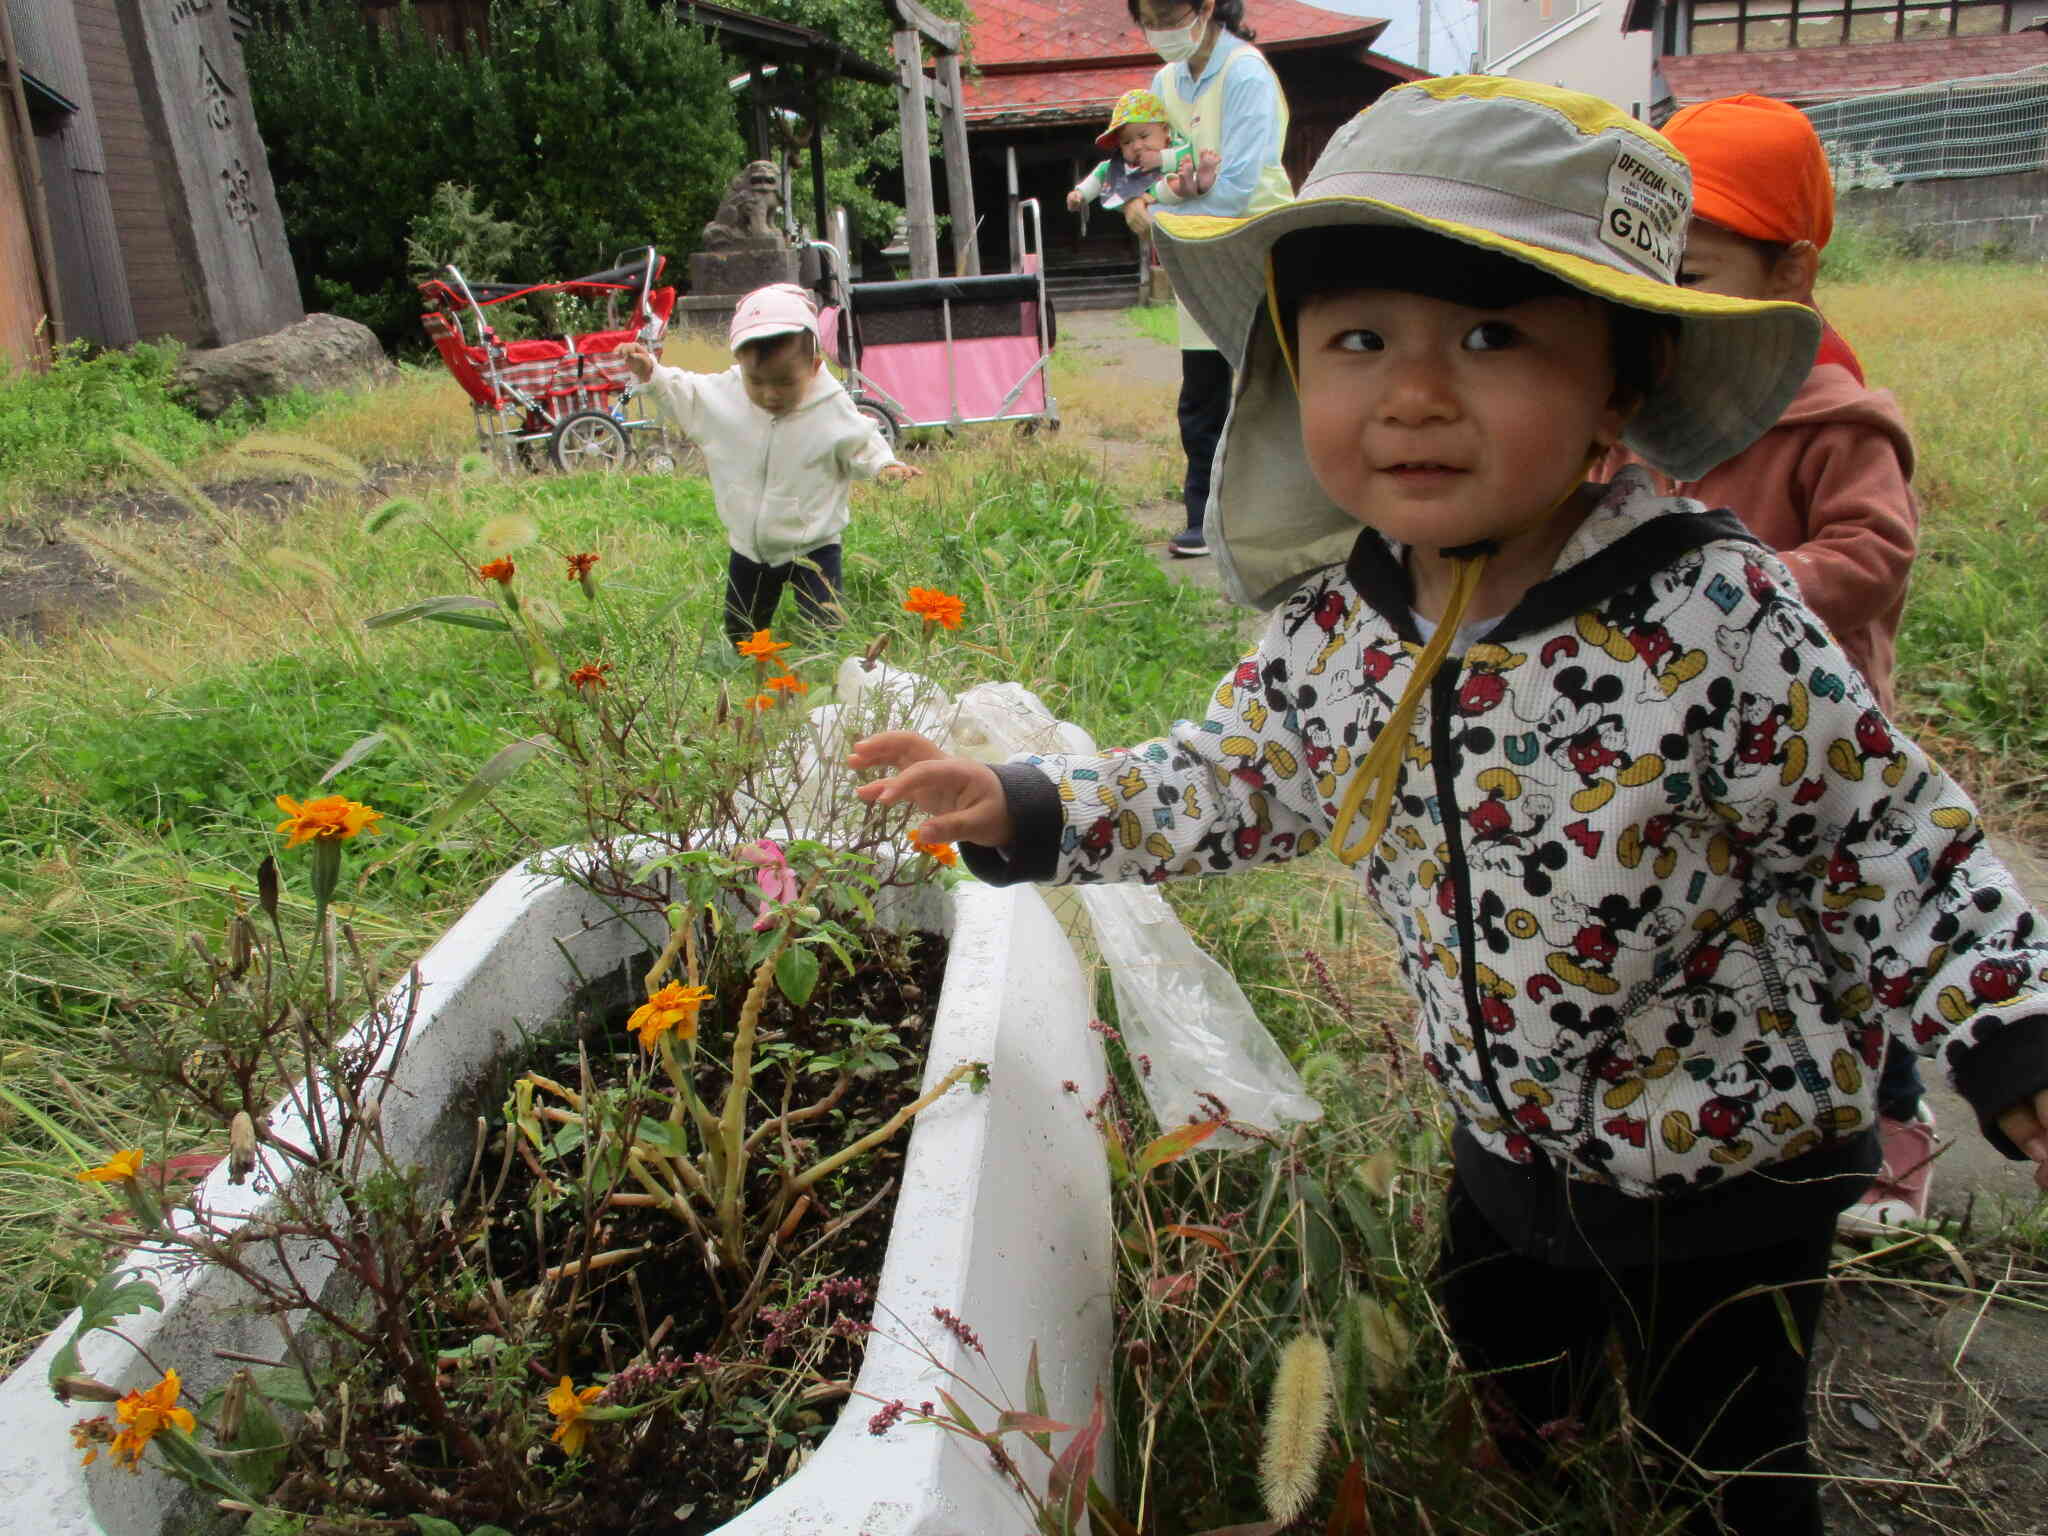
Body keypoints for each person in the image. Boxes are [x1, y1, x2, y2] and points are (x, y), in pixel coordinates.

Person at [847, 78, 2048, 1535]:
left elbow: (1886, 832)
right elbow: (1227, 775)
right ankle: (1530, 1452)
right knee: (1495, 1321)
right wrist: (1025, 803)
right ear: (1297, 373)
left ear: (1621, 378)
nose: (1414, 394)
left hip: (1728, 1157)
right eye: (1360, 340)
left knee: (1721, 1436)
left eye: (1491, 336)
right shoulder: (1344, 624)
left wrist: (2008, 1027)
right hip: (1504, 1131)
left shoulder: (1713, 612)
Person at [1608, 93, 1933, 1234]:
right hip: (1686, 747)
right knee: (1721, 933)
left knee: (1843, 944)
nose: (1663, 298)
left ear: (1789, 271)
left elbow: (1872, 554)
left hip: (1811, 740)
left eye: (1689, 274)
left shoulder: (1832, 414)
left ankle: (1888, 1133)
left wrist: (1734, 591)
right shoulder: (1647, 394)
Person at [619, 284, 921, 645]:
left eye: (783, 382)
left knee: (825, 624)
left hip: (814, 544)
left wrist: (884, 466)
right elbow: (687, 392)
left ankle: (822, 668)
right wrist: (650, 371)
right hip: (750, 546)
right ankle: (747, 667)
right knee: (742, 627)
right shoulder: (725, 396)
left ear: (814, 367)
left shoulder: (830, 405)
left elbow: (862, 438)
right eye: (756, 382)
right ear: (740, 368)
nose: (770, 394)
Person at [1123, 0, 1291, 558]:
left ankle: (1279, 520)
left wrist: (1160, 205)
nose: (1162, 29)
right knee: (1202, 393)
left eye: (1172, 13)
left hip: (1252, 246)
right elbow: (1145, 160)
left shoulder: (1244, 71)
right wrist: (1135, 198)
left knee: (1268, 386)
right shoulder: (1165, 81)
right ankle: (1204, 517)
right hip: (1193, 251)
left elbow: (1239, 184)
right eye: (1150, 17)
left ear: (1207, 7)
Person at [1067, 89, 1217, 214]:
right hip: (1160, 192)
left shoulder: (1175, 144)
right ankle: (1187, 185)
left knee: (1183, 172)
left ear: (1165, 130)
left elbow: (1188, 152)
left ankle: (1201, 179)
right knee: (1163, 188)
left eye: (1144, 136)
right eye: (1126, 142)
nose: (1137, 146)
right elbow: (1099, 175)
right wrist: (1081, 193)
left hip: (1185, 181)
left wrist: (1161, 159)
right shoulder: (1123, 165)